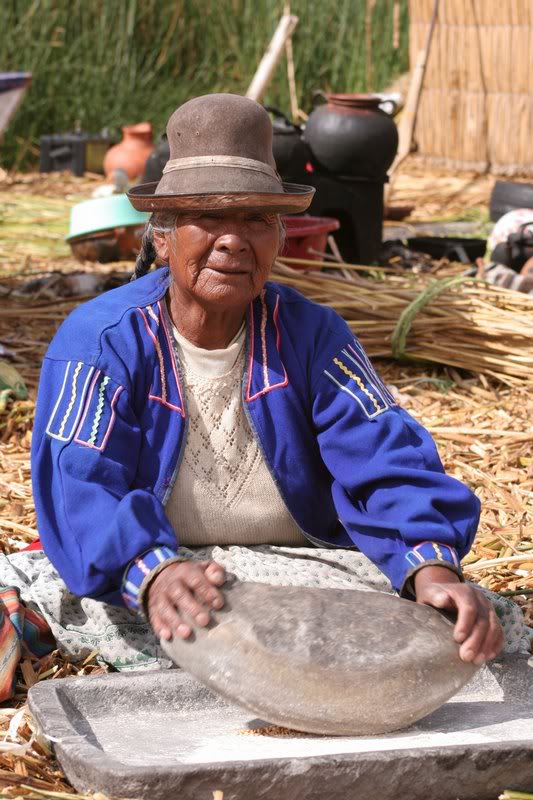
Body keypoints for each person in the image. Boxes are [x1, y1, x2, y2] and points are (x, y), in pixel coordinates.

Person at [27, 93, 512, 672]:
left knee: (480, 627)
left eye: (257, 219)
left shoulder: (313, 335)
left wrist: (431, 568)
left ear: (281, 238)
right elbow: (80, 482)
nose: (234, 240)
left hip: (298, 564)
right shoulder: (101, 341)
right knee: (74, 601)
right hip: (161, 570)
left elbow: (386, 458)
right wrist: (152, 573)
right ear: (162, 237)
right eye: (209, 217)